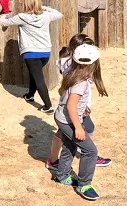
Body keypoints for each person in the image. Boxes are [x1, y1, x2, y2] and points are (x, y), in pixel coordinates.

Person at [46, 34, 112, 171]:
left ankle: (53, 160)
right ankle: (86, 155)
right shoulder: (76, 68)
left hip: (73, 105)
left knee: (78, 130)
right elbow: (75, 96)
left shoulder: (68, 63)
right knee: (76, 131)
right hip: (74, 108)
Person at [53, 43, 107, 201]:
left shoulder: (73, 73)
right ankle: (84, 184)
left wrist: (82, 110)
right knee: (90, 151)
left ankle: (62, 175)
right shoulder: (81, 82)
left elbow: (66, 96)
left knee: (70, 144)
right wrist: (78, 127)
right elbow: (71, 105)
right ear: (93, 64)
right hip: (69, 121)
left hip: (63, 117)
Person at [0, 0, 62, 113]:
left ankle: (48, 106)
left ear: (26, 4)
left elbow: (4, 23)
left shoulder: (22, 17)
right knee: (35, 74)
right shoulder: (46, 15)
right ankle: (30, 95)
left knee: (38, 79)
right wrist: (43, 7)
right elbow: (59, 14)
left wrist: (3, 14)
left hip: (31, 53)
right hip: (45, 52)